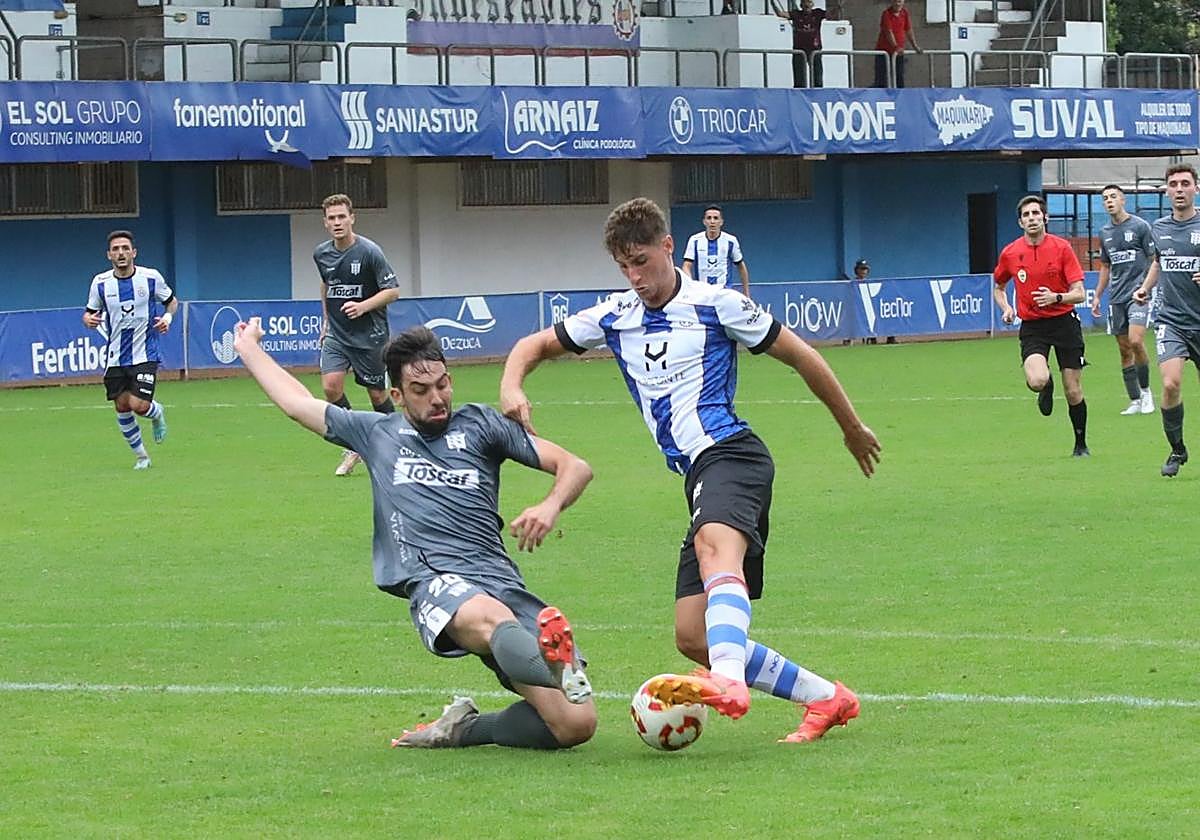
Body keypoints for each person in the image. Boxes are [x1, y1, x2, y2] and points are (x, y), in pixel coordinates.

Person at [500, 197, 880, 742]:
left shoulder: (716, 304)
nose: (636, 278)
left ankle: (727, 680)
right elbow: (532, 345)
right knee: (693, 633)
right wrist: (512, 386)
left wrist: (850, 427)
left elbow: (802, 356)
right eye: (624, 267)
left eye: (642, 262)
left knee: (712, 549)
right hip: (697, 474)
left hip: (731, 454)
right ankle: (827, 699)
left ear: (667, 247)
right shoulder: (614, 316)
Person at [233, 320, 598, 749]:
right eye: (421, 391)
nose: (437, 398)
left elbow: (576, 467)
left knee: (575, 724)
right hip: (435, 580)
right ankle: (552, 665)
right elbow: (297, 403)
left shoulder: (481, 426)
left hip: (498, 578)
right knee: (491, 619)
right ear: (397, 396)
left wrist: (549, 505)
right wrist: (248, 348)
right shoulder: (376, 433)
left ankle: (462, 728)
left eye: (442, 384)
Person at [992, 195, 1091, 457]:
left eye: (1036, 213)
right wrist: (1007, 308)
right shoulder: (1011, 253)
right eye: (1026, 215)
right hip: (1033, 326)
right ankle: (1046, 386)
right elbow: (999, 287)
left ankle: (1080, 444)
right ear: (1020, 222)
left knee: (1073, 390)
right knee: (1036, 380)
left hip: (1064, 324)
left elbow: (1080, 293)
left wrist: (1056, 297)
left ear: (1045, 218)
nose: (1032, 218)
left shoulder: (1062, 248)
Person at [314, 193, 402, 477]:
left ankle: (400, 443)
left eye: (342, 216)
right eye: (332, 218)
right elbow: (326, 285)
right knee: (330, 387)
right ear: (325, 223)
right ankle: (355, 445)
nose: (337, 222)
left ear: (352, 218)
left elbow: (393, 291)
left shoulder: (369, 252)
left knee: (377, 395)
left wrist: (363, 306)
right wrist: (327, 321)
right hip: (338, 335)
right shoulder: (321, 254)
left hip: (371, 335)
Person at [82, 230, 177, 470]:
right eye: (116, 249)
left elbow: (171, 302)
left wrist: (167, 318)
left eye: (125, 248)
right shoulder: (100, 283)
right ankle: (142, 457)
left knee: (139, 405)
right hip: (115, 356)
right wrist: (88, 320)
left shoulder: (151, 278)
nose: (121, 253)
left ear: (133, 252)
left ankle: (156, 412)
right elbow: (89, 312)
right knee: (122, 406)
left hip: (145, 352)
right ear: (109, 255)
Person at [1133, 163, 1200, 477]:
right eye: (1173, 184)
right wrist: (1145, 288)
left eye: (1185, 183)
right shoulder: (1158, 227)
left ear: (1195, 188)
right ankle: (1177, 450)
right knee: (1171, 384)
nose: (1179, 189)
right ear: (1166, 190)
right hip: (1171, 320)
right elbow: (1159, 262)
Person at [1092, 184, 1157, 416]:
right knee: (1124, 350)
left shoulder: (1140, 226)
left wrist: (1148, 287)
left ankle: (1147, 392)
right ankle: (1135, 399)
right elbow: (1105, 267)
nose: (1109, 201)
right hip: (1116, 297)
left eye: (1113, 197)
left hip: (1138, 295)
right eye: (1105, 198)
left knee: (1136, 341)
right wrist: (1098, 295)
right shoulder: (1105, 232)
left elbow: (1153, 260)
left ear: (1123, 200)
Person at [681, 204, 751, 296]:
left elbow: (741, 266)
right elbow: (686, 266)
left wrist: (746, 293)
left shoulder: (731, 241)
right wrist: (691, 286)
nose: (712, 221)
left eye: (716, 218)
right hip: (702, 294)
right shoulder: (694, 240)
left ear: (721, 222)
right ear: (704, 221)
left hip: (724, 293)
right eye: (709, 218)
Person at [771, 0, 824, 88]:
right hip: (799, 49)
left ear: (812, 4)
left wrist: (838, 6)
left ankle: (817, 93)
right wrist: (773, 3)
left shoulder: (817, 13)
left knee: (817, 77)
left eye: (809, 2)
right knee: (799, 78)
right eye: (805, 3)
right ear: (801, 5)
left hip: (815, 49)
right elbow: (780, 14)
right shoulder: (796, 14)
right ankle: (799, 93)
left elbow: (831, 14)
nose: (807, 5)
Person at [873, 0, 921, 88]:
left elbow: (908, 30)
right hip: (885, 52)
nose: (897, 4)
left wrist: (915, 46)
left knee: (899, 76)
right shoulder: (886, 14)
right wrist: (896, 46)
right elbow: (888, 32)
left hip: (898, 52)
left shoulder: (904, 13)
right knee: (881, 78)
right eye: (895, 1)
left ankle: (900, 97)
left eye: (899, 1)